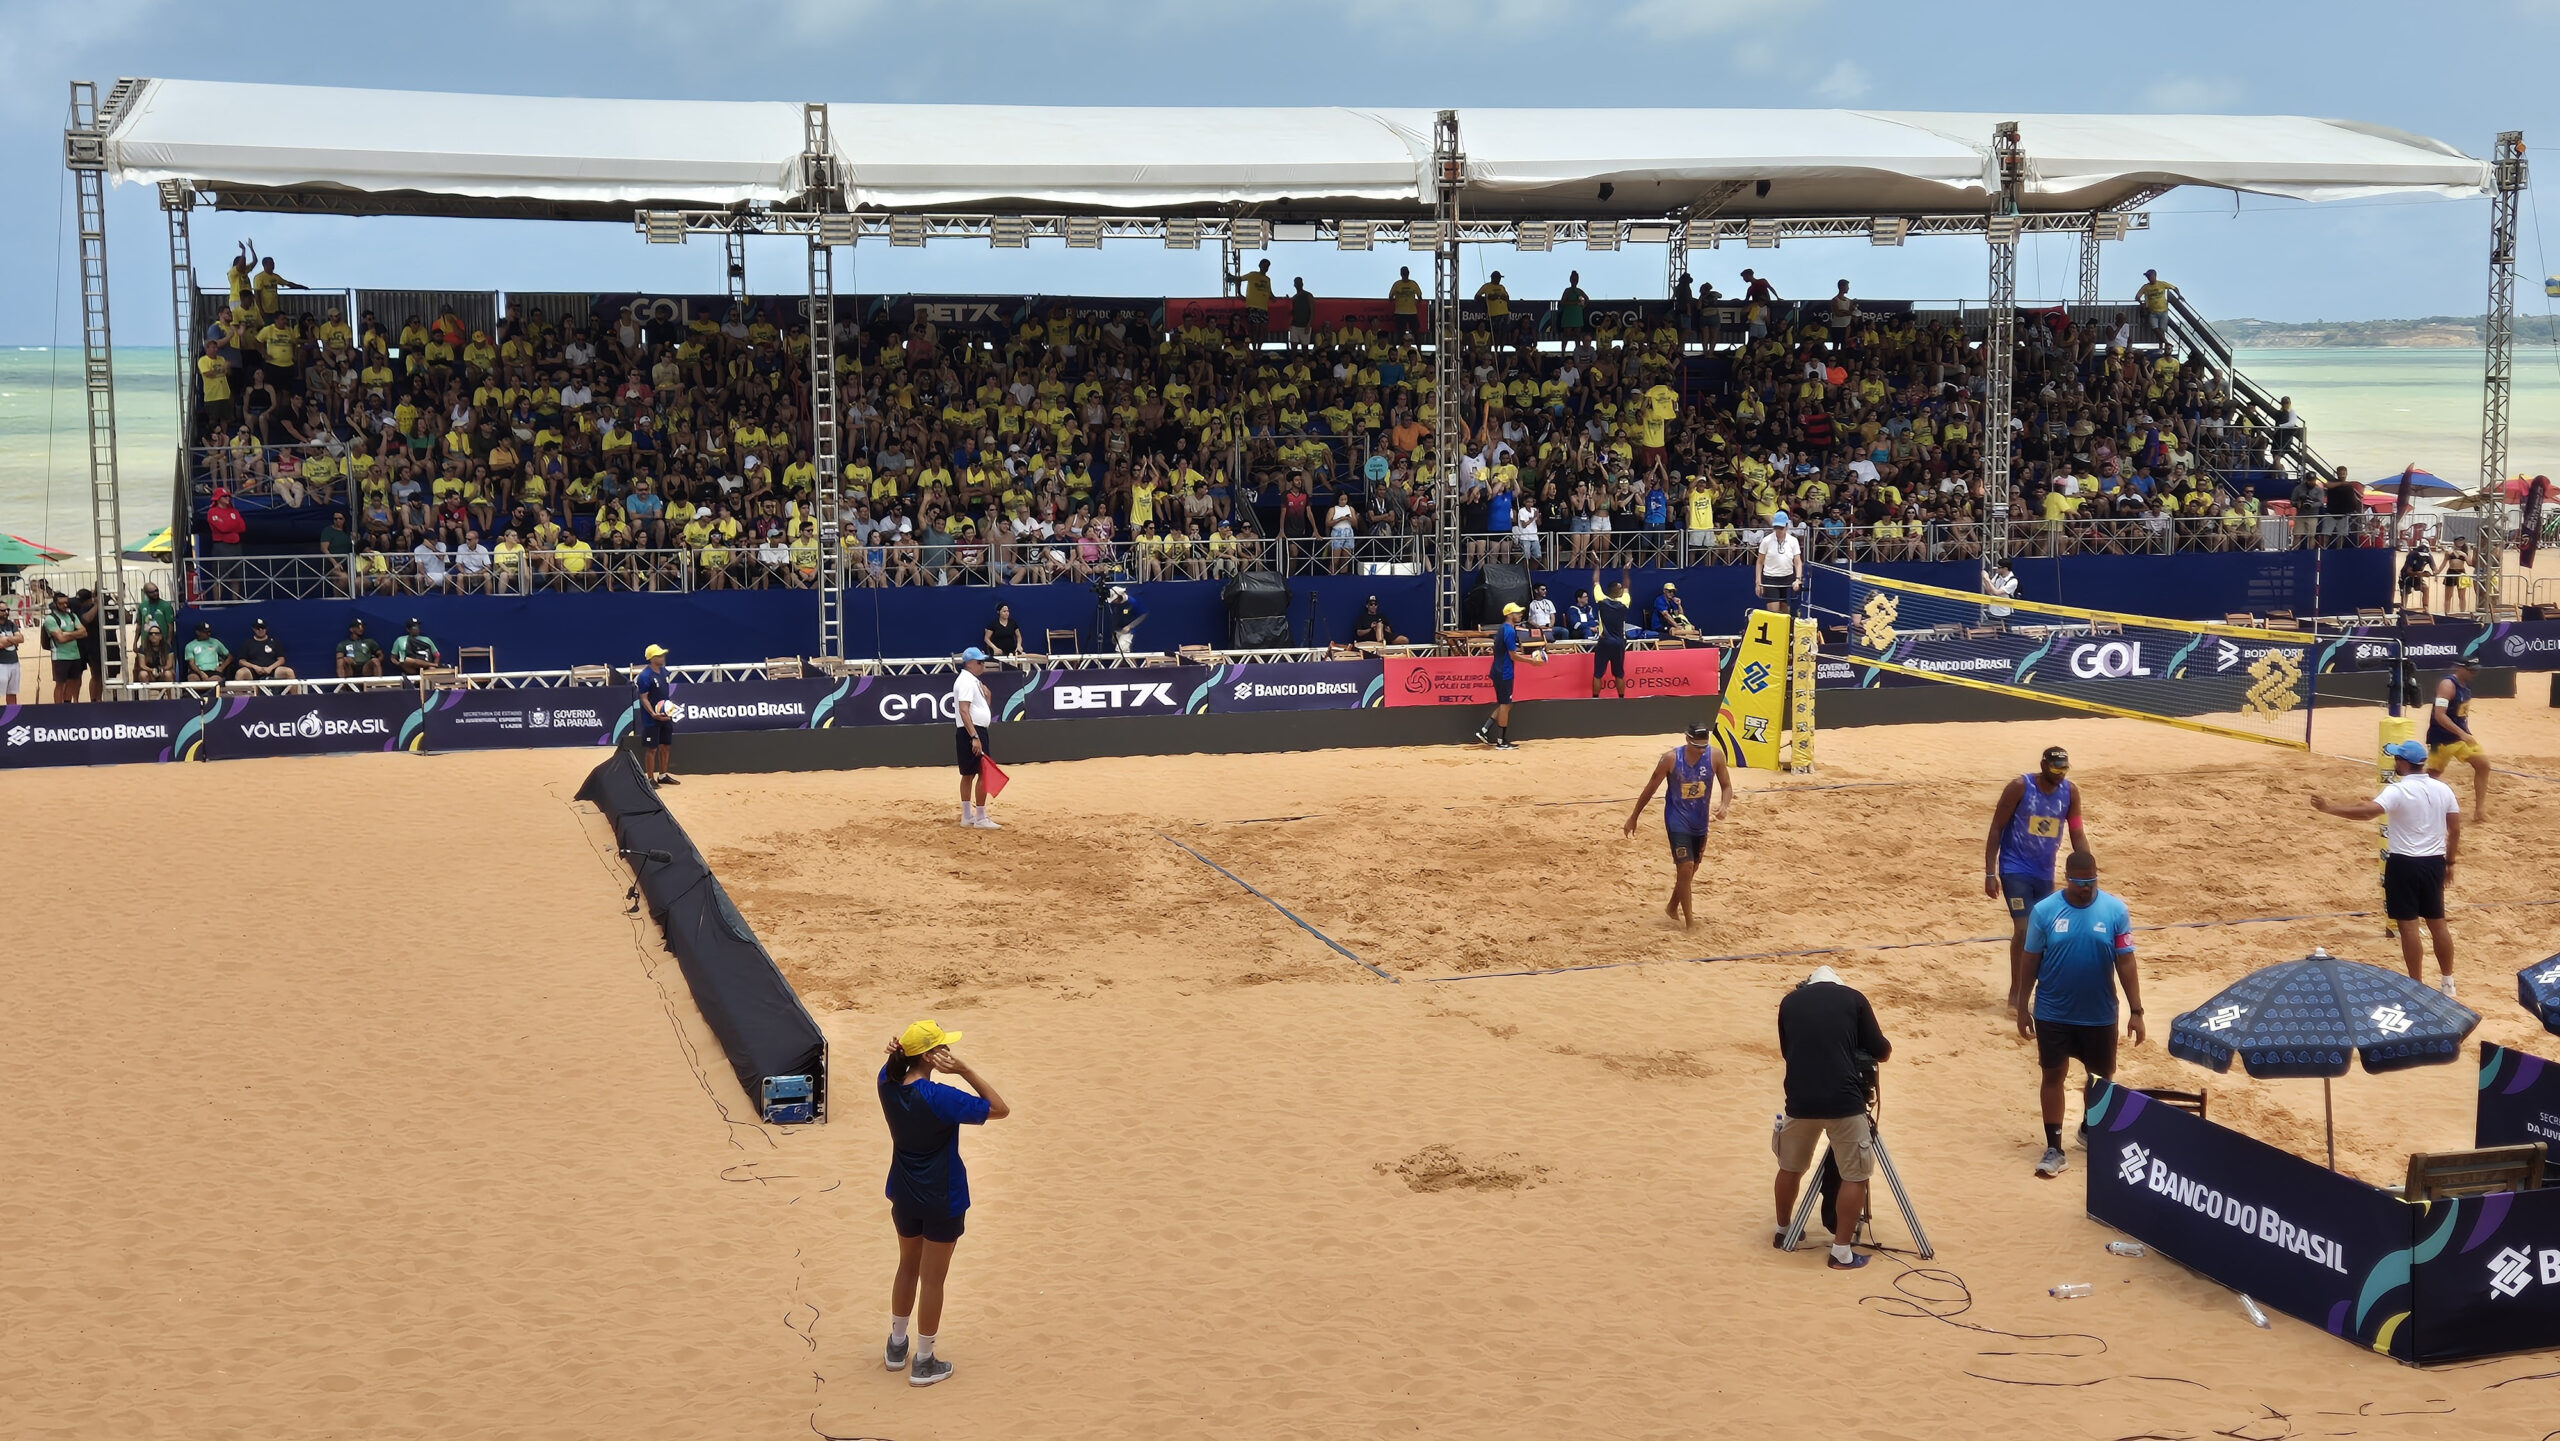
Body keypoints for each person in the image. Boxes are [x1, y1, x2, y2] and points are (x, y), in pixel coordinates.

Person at [877, 1018, 1009, 1389]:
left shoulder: (886, 1084)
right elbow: (999, 1108)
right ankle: (923, 1360)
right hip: (942, 1197)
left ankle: (896, 1346)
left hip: (903, 1193)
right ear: (933, 1056)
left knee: (907, 1267)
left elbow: (890, 1069)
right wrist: (965, 1070)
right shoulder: (940, 1098)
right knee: (933, 1280)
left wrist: (896, 1055)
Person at [2016, 851, 2144, 1179]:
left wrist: (2136, 1010)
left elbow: (2125, 961)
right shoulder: (2044, 912)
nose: (2086, 888)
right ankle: (2054, 1147)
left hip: (2099, 1014)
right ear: (2067, 878)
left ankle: (2089, 1128)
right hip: (2053, 1012)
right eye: (2079, 883)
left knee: (2100, 1080)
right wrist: (2021, 1005)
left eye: (2091, 882)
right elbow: (2030, 959)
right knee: (2052, 1075)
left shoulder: (2115, 911)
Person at [2311, 739, 2461, 994]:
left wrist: (2329, 808)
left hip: (2404, 863)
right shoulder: (2443, 789)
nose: (2394, 762)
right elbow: (2455, 829)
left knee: (2409, 926)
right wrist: (2450, 862)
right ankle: (2448, 981)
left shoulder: (2398, 790)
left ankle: (2416, 984)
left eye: (2396, 758)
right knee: (2438, 923)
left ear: (2403, 762)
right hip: (2434, 862)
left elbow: (2368, 812)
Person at [1773, 965, 1891, 1270]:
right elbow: (1880, 1050)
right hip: (1844, 1101)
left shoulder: (1789, 1002)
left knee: (1790, 1168)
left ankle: (1784, 1231)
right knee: (1855, 1175)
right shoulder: (1854, 999)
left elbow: (1789, 1051)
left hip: (1799, 1101)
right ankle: (1841, 1252)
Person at [1988, 746, 2089, 1015]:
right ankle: (2016, 994)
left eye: (2064, 770)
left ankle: (2035, 993)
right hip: (2014, 868)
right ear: (2043, 765)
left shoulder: (2070, 792)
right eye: (2055, 769)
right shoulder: (2020, 787)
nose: (2060, 775)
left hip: (2044, 872)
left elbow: (2077, 831)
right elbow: (1996, 827)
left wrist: (2088, 870)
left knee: (2044, 934)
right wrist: (1990, 872)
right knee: (2023, 929)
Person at [1624, 719, 1734, 928]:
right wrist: (1634, 816)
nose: (1701, 750)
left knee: (1691, 871)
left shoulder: (1715, 755)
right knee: (1685, 866)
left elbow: (1727, 786)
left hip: (1700, 820)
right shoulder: (1670, 759)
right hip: (1677, 818)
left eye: (1704, 746)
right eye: (1697, 746)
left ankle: (1672, 906)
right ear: (1687, 739)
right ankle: (1690, 922)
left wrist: (1724, 805)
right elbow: (1650, 788)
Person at [2424, 657, 2490, 824]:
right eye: (2471, 669)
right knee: (2432, 776)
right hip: (2442, 739)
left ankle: (2479, 811)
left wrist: (2464, 734)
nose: (2474, 672)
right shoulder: (2447, 685)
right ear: (2459, 667)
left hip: (2460, 738)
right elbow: (2439, 715)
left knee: (2483, 765)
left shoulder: (2465, 685)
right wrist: (2462, 734)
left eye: (2476, 669)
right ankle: (2417, 804)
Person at [1471, 601, 1544, 750]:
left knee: (1506, 704)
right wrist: (1532, 662)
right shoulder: (1509, 631)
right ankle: (1501, 742)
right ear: (1510, 615)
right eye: (1517, 613)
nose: (1520, 614)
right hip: (1504, 672)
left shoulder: (1504, 629)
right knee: (1505, 705)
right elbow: (1513, 656)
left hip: (1498, 670)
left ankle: (1484, 731)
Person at [952, 646, 999, 829]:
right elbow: (964, 710)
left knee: (969, 773)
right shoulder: (965, 682)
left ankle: (967, 816)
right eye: (980, 662)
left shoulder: (971, 681)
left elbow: (976, 709)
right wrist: (975, 736)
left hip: (972, 730)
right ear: (970, 663)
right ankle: (980, 817)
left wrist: (987, 697)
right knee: (982, 772)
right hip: (972, 731)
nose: (983, 665)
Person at [635, 643, 677, 784]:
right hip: (651, 719)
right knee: (652, 749)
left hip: (665, 716)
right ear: (652, 658)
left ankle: (663, 775)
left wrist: (668, 709)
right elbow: (643, 698)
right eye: (659, 655)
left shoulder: (665, 672)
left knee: (665, 746)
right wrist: (653, 713)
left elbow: (664, 694)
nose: (663, 657)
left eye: (663, 654)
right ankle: (650, 779)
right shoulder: (644, 676)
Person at [41, 592, 89, 703]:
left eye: (66, 603)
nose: (64, 606)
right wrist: (74, 633)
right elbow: (60, 639)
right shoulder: (51, 619)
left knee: (73, 682)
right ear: (55, 604)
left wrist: (66, 634)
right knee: (60, 684)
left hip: (75, 654)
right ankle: (58, 707)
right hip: (60, 656)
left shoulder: (72, 616)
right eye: (61, 603)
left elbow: (84, 632)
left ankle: (67, 704)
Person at [1591, 570, 1631, 698]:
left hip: (1605, 642)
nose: (1622, 590)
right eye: (1620, 589)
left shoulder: (1601, 600)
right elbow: (1627, 586)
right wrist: (1625, 571)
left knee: (1598, 673)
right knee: (1619, 674)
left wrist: (1597, 565)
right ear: (1618, 591)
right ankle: (1621, 698)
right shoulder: (1624, 602)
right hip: (1619, 643)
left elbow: (1596, 581)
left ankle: (1595, 698)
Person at [233, 616, 296, 688]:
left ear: (266, 628)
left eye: (263, 628)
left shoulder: (274, 642)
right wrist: (255, 667)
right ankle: (239, 699)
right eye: (258, 628)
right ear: (253, 629)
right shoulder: (247, 643)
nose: (260, 630)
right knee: (240, 673)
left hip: (272, 670)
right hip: (253, 671)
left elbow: (281, 659)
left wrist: (270, 668)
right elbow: (241, 661)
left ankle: (295, 698)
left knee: (289, 672)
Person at [1756, 510, 1803, 607]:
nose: (1778, 530)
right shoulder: (1766, 541)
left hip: (1788, 577)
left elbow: (1798, 562)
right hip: (1770, 578)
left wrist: (1798, 579)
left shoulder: (1793, 541)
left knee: (1785, 611)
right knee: (1774, 611)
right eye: (1776, 527)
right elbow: (1760, 562)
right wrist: (1758, 582)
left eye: (1781, 528)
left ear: (1786, 526)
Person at [1102, 585, 1144, 658]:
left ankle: (1115, 669)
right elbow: (1115, 618)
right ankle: (1134, 669)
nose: (1114, 601)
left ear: (1120, 596)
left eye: (1114, 599)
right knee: (1126, 655)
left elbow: (1142, 615)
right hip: (1118, 631)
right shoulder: (1114, 605)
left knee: (1120, 651)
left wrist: (1130, 626)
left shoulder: (1132, 602)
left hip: (1128, 632)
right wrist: (1114, 633)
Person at [1388, 265, 1423, 337]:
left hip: (1412, 312)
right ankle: (1401, 348)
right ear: (1401, 274)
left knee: (1416, 332)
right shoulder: (1397, 284)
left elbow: (1420, 297)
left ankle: (1418, 348)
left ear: (1408, 273)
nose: (1405, 274)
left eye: (1406, 273)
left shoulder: (1413, 284)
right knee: (1400, 333)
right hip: (1400, 312)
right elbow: (1390, 298)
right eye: (1403, 273)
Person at [0, 606, 21, 703]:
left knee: (12, 692)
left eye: (7, 609)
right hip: (1, 663)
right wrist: (13, 640)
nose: (6, 612)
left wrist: (7, 639)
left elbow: (21, 639)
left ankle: (12, 716)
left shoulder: (11, 624)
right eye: (3, 610)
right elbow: (0, 644)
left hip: (14, 662)